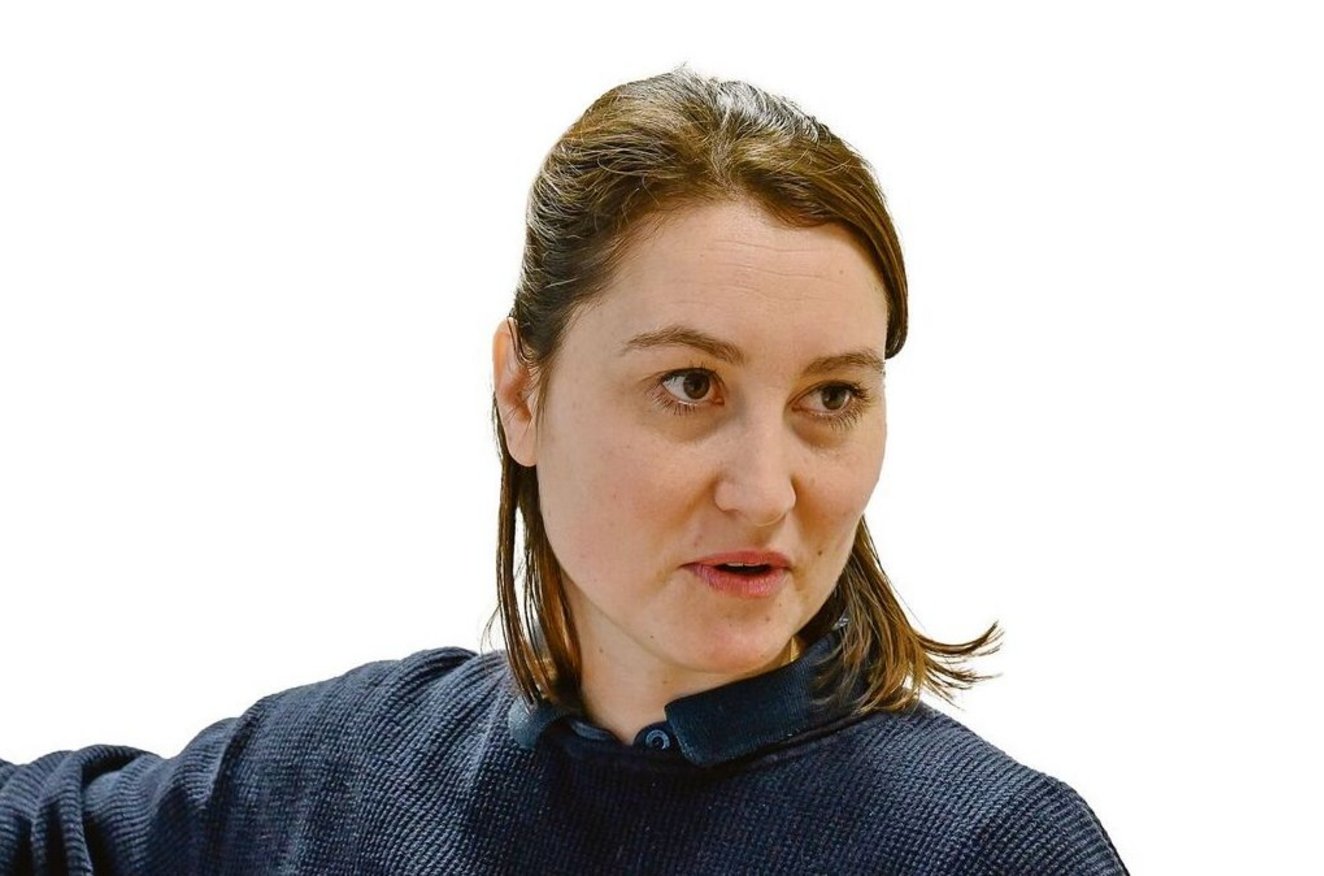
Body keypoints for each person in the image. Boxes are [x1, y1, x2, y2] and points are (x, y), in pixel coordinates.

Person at [0, 68, 1127, 874]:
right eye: (690, 385)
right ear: (522, 392)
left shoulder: (989, 850)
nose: (764, 491)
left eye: (830, 398)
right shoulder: (345, 774)